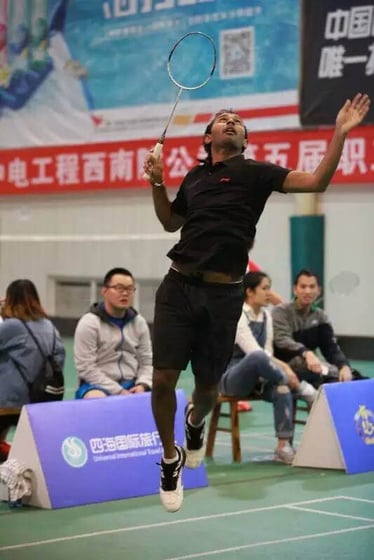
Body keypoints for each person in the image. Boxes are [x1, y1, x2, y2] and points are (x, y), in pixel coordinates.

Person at [143, 93, 370, 513]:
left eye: (237, 121)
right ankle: (170, 457)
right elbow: (169, 221)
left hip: (223, 294)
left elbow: (317, 181)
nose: (230, 122)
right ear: (208, 135)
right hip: (177, 288)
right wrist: (157, 180)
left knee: (208, 389)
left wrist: (339, 133)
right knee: (162, 380)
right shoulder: (193, 179)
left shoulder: (257, 173)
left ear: (244, 140)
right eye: (222, 119)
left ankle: (195, 424)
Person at [220, 271, 316, 464]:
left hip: (261, 377)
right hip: (233, 378)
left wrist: (286, 372)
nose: (269, 293)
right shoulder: (238, 316)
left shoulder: (266, 316)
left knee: (281, 388)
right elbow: (255, 352)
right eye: (264, 288)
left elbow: (268, 353)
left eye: (269, 288)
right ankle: (302, 388)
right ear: (249, 292)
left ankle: (283, 447)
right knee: (258, 358)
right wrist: (287, 372)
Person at [0, 279, 65, 462]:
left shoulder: (12, 327)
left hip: (8, 403)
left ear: (11, 300)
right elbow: (59, 358)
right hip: (41, 401)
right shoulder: (50, 327)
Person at [272, 269, 358, 388]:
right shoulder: (280, 311)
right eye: (303, 286)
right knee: (326, 375)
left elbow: (331, 348)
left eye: (312, 287)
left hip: (312, 367)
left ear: (318, 291)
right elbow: (282, 340)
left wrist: (344, 366)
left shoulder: (321, 316)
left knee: (351, 379)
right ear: (295, 289)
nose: (307, 291)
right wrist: (306, 353)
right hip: (285, 366)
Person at [74, 267, 152, 398]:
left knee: (165, 396)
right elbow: (86, 368)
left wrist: (143, 385)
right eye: (120, 288)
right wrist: (118, 391)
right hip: (96, 385)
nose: (125, 293)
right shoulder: (89, 323)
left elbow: (147, 362)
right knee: (97, 400)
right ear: (104, 291)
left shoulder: (139, 323)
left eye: (130, 289)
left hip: (133, 384)